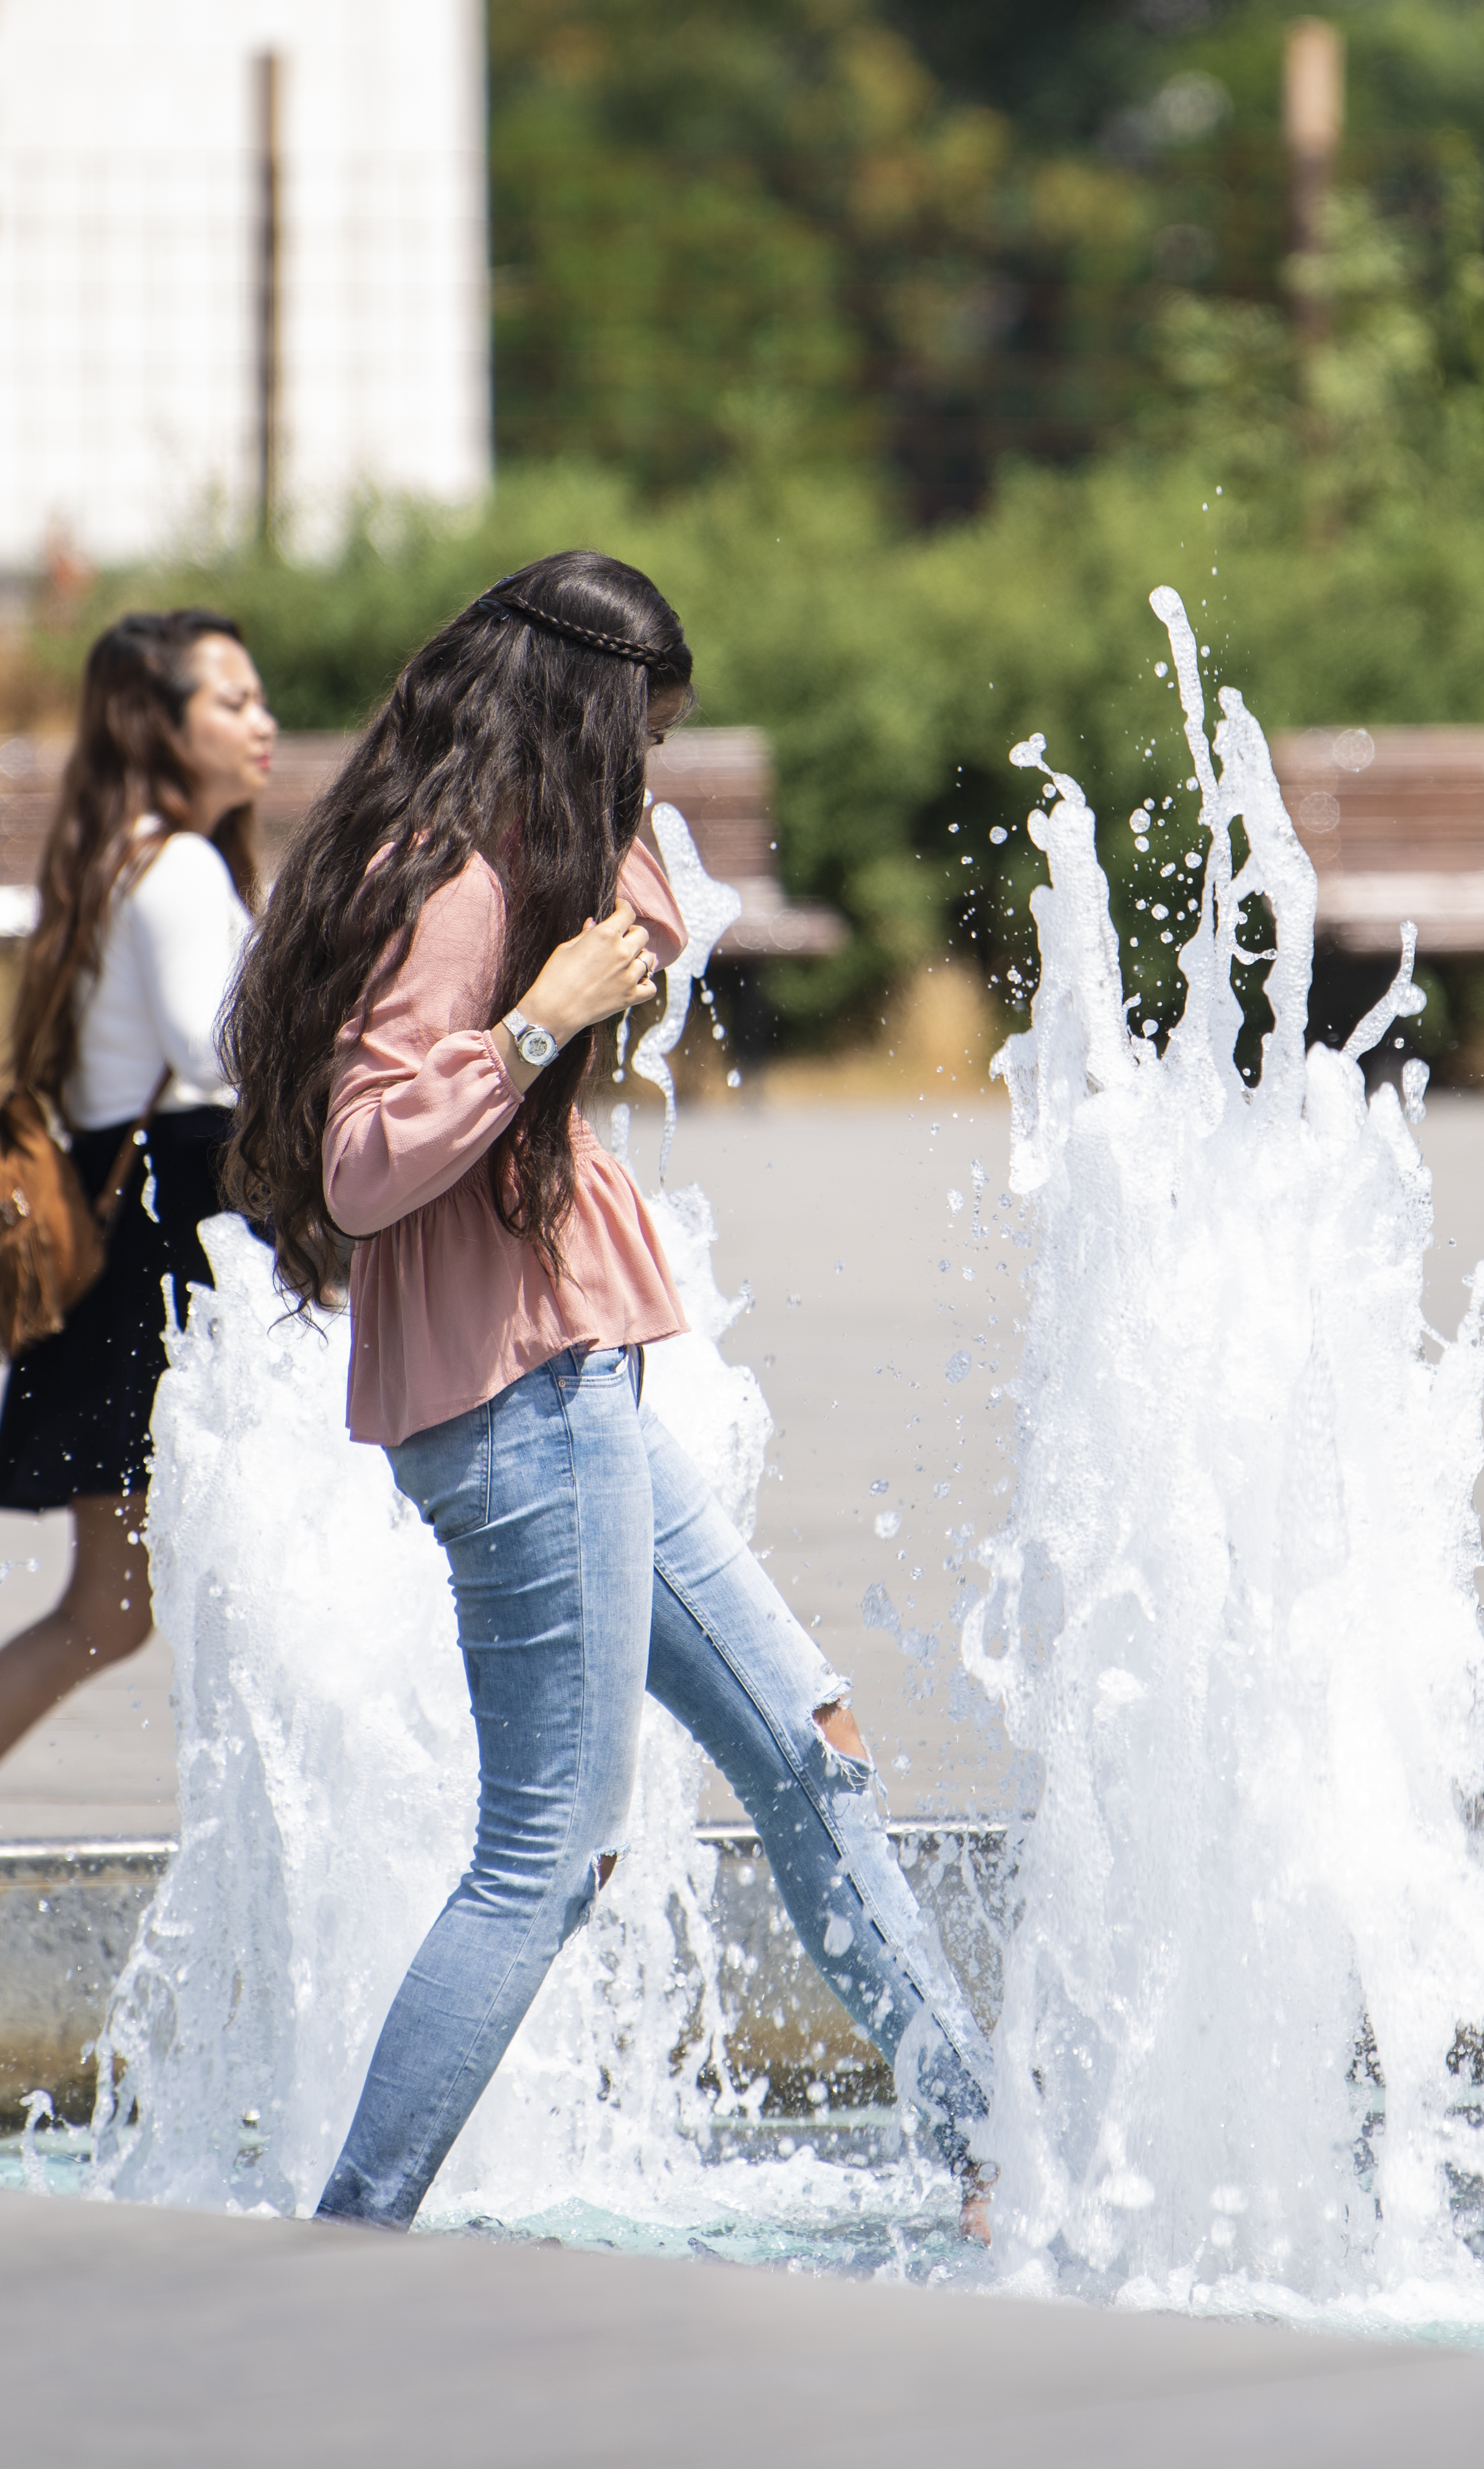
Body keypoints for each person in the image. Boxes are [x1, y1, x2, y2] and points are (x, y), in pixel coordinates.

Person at [218, 550, 998, 2240]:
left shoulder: (502, 851)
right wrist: (530, 1028)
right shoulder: (449, 887)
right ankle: (354, 2234)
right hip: (519, 1414)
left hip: (569, 1399)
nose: (648, 772)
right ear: (577, 719)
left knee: (812, 1745)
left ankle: (993, 2155)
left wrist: (578, 921)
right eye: (636, 735)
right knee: (546, 1855)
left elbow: (648, 914)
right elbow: (360, 1170)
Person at [0, 613, 275, 1845]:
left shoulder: (109, 858)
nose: (263, 722)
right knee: (230, 1571)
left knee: (109, 1607)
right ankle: (266, 1839)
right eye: (233, 700)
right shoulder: (182, 868)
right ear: (162, 723)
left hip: (114, 1248)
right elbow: (219, 1049)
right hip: (169, 1254)